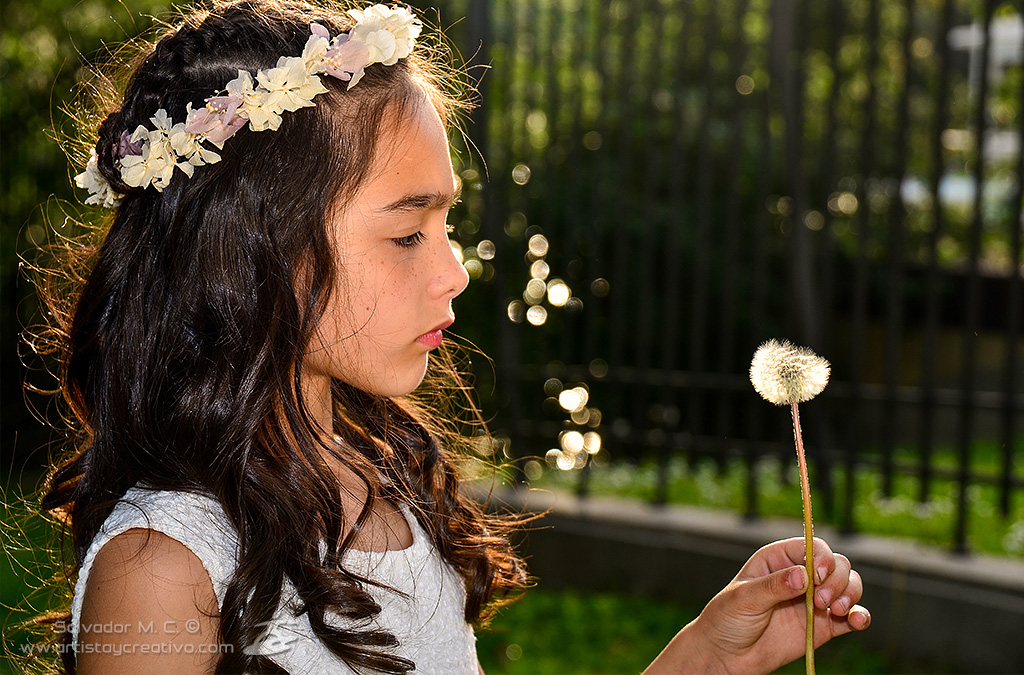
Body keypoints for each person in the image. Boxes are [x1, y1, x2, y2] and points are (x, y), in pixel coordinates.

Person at [28, 1, 870, 673]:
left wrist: (705, 659)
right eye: (406, 234)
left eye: (447, 221)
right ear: (248, 253)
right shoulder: (163, 574)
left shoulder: (387, 479)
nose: (456, 271)